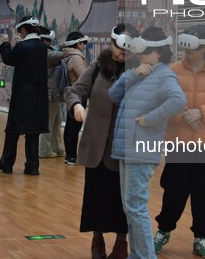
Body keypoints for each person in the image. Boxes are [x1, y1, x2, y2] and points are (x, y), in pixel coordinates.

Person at [153, 24, 205, 258]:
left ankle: (201, 237)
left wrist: (201, 112)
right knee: (174, 190)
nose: (187, 52)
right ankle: (163, 230)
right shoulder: (172, 70)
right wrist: (183, 114)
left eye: (194, 47)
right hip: (178, 143)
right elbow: (160, 100)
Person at [109, 27, 186, 259]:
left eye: (147, 51)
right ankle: (138, 255)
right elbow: (113, 94)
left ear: (160, 52)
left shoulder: (164, 76)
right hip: (126, 148)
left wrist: (150, 119)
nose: (142, 55)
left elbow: (178, 101)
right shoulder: (143, 72)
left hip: (141, 149)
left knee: (136, 208)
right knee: (130, 208)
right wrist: (132, 74)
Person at [65, 24, 138, 259]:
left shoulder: (140, 71)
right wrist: (76, 105)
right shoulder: (97, 68)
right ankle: (97, 241)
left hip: (125, 149)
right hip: (97, 147)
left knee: (122, 202)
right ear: (112, 44)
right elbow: (74, 91)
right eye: (120, 47)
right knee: (96, 199)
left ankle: (121, 243)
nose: (123, 53)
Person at [0, 16, 48, 176]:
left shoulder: (23, 47)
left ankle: (6, 164)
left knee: (13, 131)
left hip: (22, 96)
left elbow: (9, 59)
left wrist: (5, 43)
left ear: (23, 29)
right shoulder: (42, 47)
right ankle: (32, 167)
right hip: (38, 97)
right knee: (32, 133)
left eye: (20, 31)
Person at [62, 31, 89, 165]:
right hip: (78, 95)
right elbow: (84, 77)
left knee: (70, 125)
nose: (84, 46)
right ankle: (71, 156)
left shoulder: (67, 55)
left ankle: (69, 155)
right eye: (83, 43)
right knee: (75, 126)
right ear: (78, 44)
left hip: (70, 94)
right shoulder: (77, 57)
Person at [38, 29, 66, 158]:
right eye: (48, 40)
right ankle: (44, 151)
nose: (50, 43)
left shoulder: (45, 51)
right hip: (48, 94)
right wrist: (70, 47)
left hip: (51, 93)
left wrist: (64, 45)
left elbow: (56, 50)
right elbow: (60, 54)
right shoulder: (45, 53)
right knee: (48, 123)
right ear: (42, 40)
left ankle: (58, 148)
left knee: (57, 121)